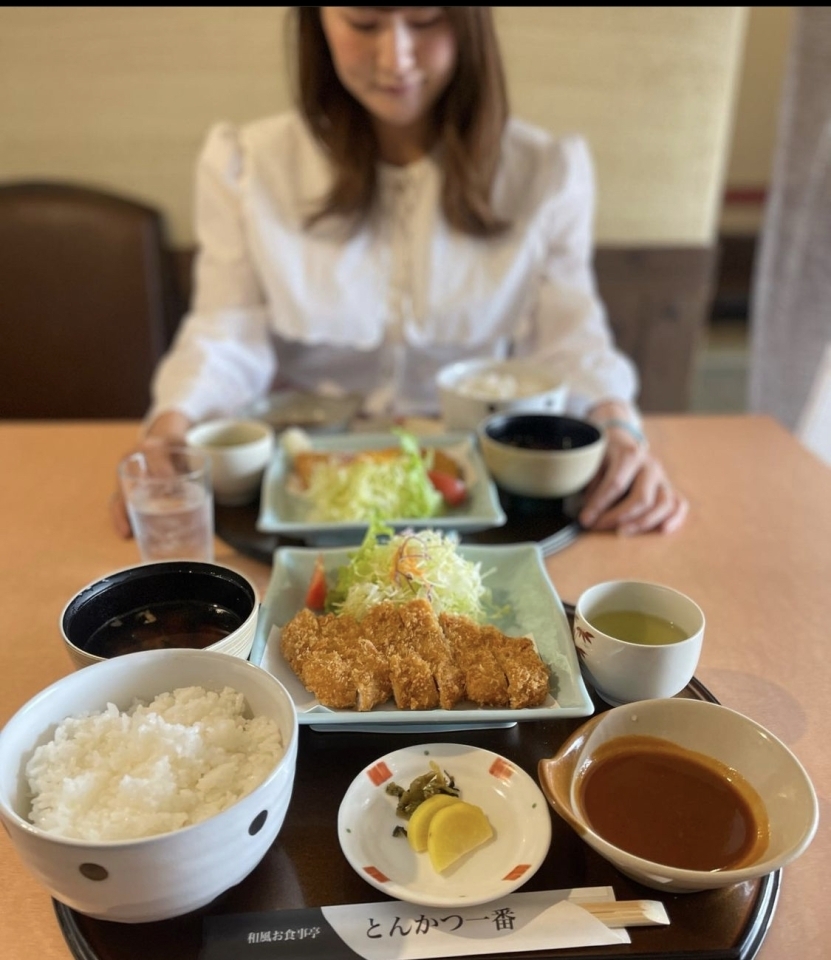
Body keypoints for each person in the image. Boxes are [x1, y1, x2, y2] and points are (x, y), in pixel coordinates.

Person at [111, 6, 687, 538]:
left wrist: (617, 427)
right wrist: (169, 428)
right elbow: (225, 329)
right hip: (302, 489)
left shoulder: (546, 172)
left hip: (476, 492)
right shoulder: (245, 166)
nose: (396, 58)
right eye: (363, 22)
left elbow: (569, 339)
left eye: (425, 18)